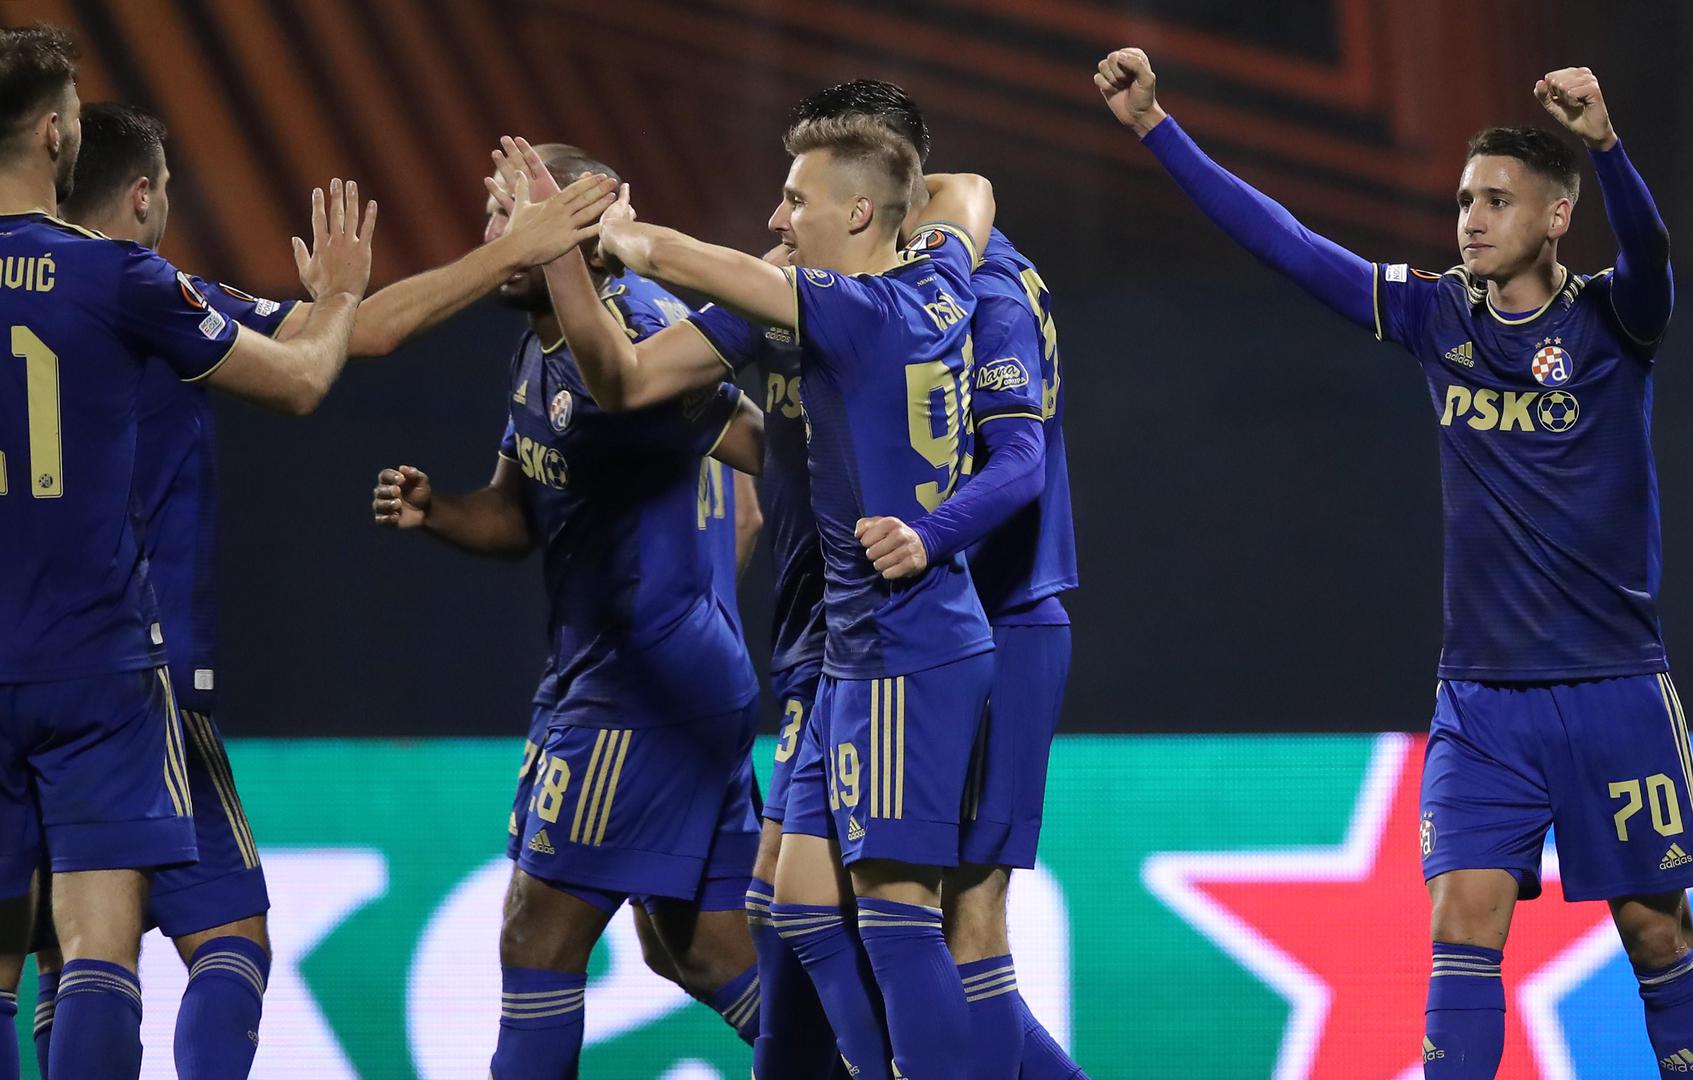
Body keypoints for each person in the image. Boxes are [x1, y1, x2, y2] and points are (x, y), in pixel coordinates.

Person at [1096, 46, 1681, 1078]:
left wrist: (1606, 147)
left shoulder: (1611, 322)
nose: (1469, 220)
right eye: (1462, 200)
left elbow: (1650, 254)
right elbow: (1284, 242)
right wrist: (1156, 129)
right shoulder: (1435, 314)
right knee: (1461, 926)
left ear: (1555, 217)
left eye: (1496, 200)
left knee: (1655, 932)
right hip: (1481, 702)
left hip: (1611, 690)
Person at [20, 98, 609, 1080]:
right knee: (215, 941)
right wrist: (471, 262)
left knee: (56, 946)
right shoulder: (150, 293)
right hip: (129, 676)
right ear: (144, 196)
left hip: (23, 664)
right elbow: (353, 342)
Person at [510, 103, 996, 1077]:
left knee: (894, 920)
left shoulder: (863, 309)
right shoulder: (930, 271)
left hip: (897, 645)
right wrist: (565, 262)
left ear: (855, 214)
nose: (776, 220)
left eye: (795, 200)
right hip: (831, 646)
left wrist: (602, 232)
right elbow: (623, 382)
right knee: (793, 910)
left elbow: (676, 256)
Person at [0, 22, 374, 1080]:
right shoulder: (119, 275)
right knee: (96, 951)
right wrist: (340, 295)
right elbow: (298, 382)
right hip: (96, 666)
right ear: (54, 133)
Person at [371, 142, 766, 1078]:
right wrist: (440, 512)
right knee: (697, 949)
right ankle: (864, 1061)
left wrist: (670, 620)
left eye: (518, 210)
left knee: (535, 938)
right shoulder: (539, 344)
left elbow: (753, 475)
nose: (495, 233)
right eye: (494, 210)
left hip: (637, 695)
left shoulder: (638, 326)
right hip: (633, 682)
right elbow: (516, 516)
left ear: (584, 218)